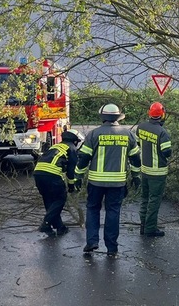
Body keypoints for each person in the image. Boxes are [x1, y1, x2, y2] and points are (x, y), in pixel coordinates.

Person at [75, 103, 141, 257]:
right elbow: (135, 159)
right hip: (117, 183)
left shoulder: (94, 134)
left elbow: (84, 158)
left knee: (92, 209)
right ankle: (112, 247)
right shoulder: (128, 135)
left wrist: (78, 176)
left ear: (103, 117)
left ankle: (92, 241)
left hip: (95, 182)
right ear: (118, 118)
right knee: (113, 212)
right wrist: (136, 176)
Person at [33, 129, 84, 236]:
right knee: (60, 199)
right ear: (75, 141)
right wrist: (71, 186)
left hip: (38, 174)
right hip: (52, 175)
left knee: (49, 201)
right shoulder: (72, 149)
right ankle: (46, 224)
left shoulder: (55, 146)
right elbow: (71, 171)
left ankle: (59, 227)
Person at [136, 102, 172, 237]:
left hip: (144, 170)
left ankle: (143, 225)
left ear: (149, 114)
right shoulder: (162, 132)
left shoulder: (141, 127)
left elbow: (139, 143)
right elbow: (167, 151)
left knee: (145, 198)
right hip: (157, 172)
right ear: (162, 115)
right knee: (154, 200)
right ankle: (150, 228)